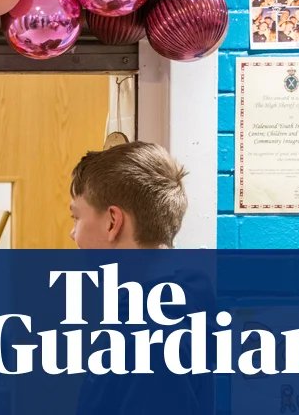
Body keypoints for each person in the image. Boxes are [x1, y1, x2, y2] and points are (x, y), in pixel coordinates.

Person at [67, 141, 210, 415]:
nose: (73, 234)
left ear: (112, 221)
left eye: (76, 218)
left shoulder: (149, 336)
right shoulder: (180, 303)